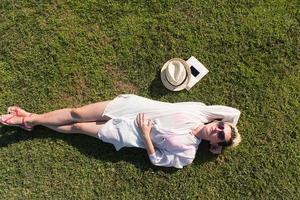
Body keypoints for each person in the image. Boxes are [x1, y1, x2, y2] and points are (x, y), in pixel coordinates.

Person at [0, 94, 241, 168]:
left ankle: (30, 120)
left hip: (130, 134)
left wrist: (146, 135)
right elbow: (234, 113)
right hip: (132, 107)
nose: (217, 129)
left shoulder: (188, 153)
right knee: (77, 112)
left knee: (76, 127)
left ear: (215, 144)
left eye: (220, 135)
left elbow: (158, 159)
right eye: (220, 126)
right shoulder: (202, 112)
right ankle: (31, 120)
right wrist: (231, 128)